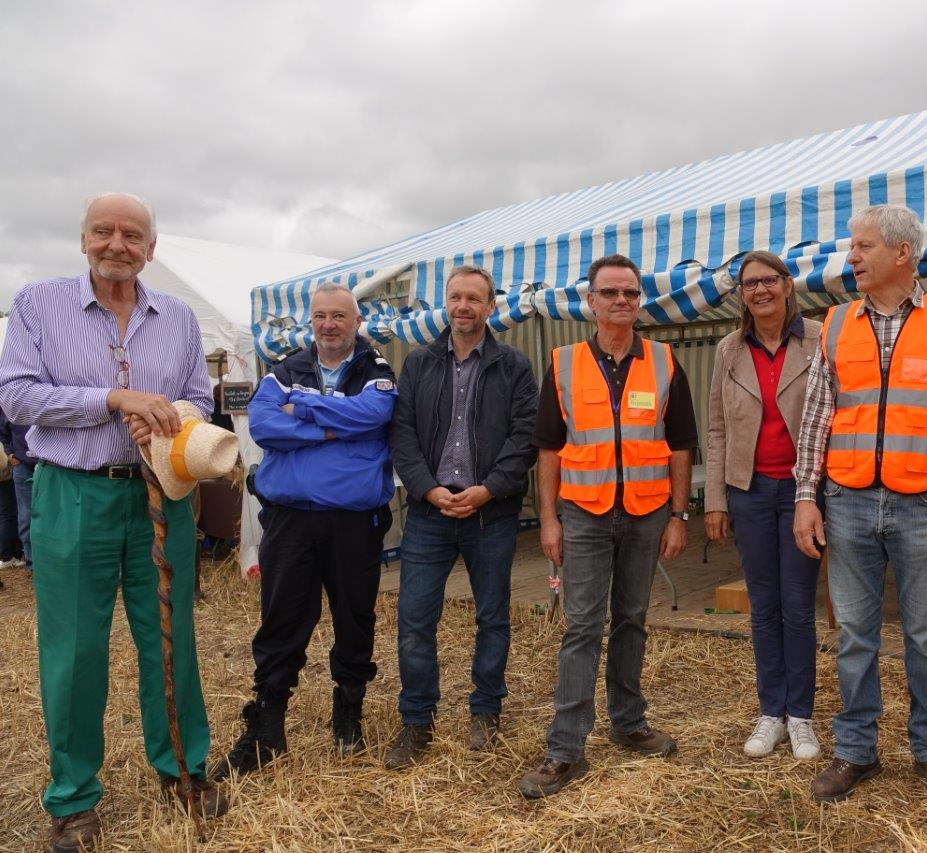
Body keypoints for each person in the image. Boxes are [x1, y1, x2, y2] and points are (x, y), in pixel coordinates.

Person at [0, 192, 229, 851]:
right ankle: (73, 800)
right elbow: (15, 393)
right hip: (74, 493)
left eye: (132, 234)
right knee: (74, 651)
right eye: (104, 232)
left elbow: (196, 396)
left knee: (170, 637)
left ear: (151, 248)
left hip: (162, 494)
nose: (117, 244)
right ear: (83, 240)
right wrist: (111, 399)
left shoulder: (179, 317)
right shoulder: (39, 303)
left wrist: (167, 415)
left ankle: (182, 769)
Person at [792, 205, 927, 803]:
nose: (851, 257)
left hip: (925, 501)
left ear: (903, 253)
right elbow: (817, 418)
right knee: (855, 633)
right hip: (848, 500)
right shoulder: (835, 323)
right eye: (851, 246)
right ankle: (855, 751)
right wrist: (807, 496)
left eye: (862, 246)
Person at [517, 254, 698, 799]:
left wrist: (678, 514)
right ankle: (565, 749)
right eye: (610, 293)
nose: (622, 301)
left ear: (639, 302)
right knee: (581, 628)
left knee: (632, 619)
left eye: (631, 293)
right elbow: (548, 447)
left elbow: (682, 443)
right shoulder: (564, 362)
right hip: (585, 514)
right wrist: (549, 519)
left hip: (646, 513)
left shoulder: (665, 362)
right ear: (591, 302)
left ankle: (629, 722)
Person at [212, 283, 396, 779]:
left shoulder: (375, 370)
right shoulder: (285, 369)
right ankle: (266, 727)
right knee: (281, 621)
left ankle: (348, 712)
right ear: (310, 321)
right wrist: (336, 429)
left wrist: (306, 410)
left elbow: (375, 415)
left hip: (355, 523)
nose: (329, 324)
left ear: (356, 321)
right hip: (291, 521)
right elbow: (266, 427)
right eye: (320, 316)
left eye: (339, 316)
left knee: (354, 619)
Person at [386, 265, 538, 764]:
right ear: (445, 303)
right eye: (456, 297)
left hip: (488, 514)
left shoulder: (513, 366)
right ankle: (416, 721)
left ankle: (485, 710)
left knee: (492, 617)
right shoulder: (420, 363)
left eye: (475, 298)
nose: (464, 307)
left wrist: (488, 490)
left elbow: (525, 438)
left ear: (491, 306)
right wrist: (427, 490)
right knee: (414, 620)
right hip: (430, 513)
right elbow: (402, 435)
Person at [704, 250, 824, 760]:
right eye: (750, 284)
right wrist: (715, 499)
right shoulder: (729, 350)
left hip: (802, 492)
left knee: (797, 607)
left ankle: (801, 716)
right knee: (763, 606)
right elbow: (716, 428)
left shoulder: (820, 339)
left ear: (787, 283)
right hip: (748, 491)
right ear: (742, 294)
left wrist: (818, 493)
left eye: (769, 280)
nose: (760, 291)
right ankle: (770, 712)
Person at [0, 408, 33, 571]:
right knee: (26, 515)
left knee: (55, 513)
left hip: (50, 465)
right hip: (22, 465)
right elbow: (3, 434)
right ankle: (32, 563)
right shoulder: (9, 408)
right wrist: (11, 455)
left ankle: (54, 560)